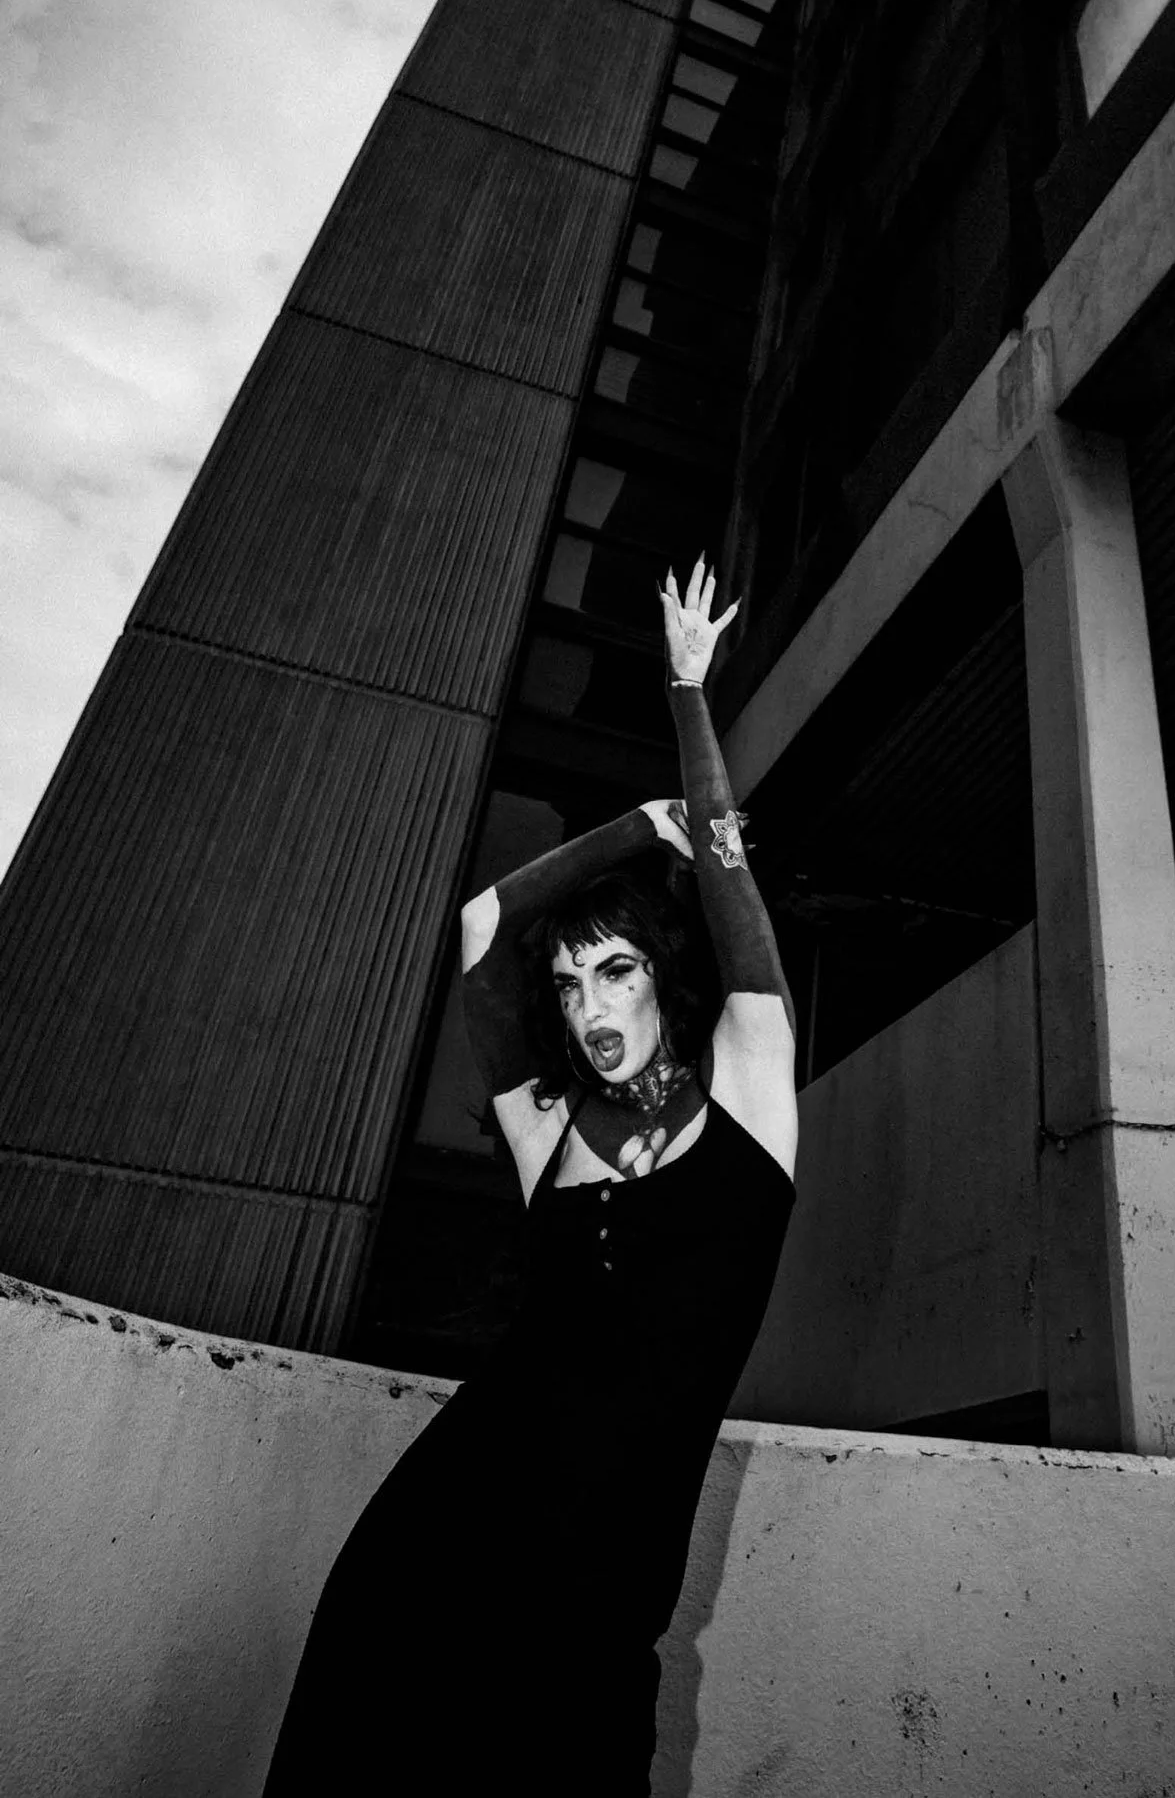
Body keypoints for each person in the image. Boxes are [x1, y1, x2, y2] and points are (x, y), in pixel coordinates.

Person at [263, 559, 797, 1796]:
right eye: (570, 985)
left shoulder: (752, 1089)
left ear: (663, 976)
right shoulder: (544, 1120)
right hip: (456, 1515)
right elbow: (478, 929)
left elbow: (729, 878)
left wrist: (685, 698)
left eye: (615, 972)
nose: (590, 1004)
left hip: (600, 1586)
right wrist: (626, 830)